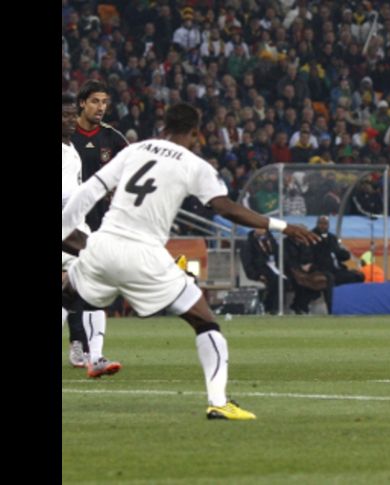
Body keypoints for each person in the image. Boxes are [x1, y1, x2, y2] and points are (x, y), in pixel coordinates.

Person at [61, 103, 319, 420]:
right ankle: (218, 402)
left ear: (164, 125)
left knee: (68, 295)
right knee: (205, 321)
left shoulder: (136, 149)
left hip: (103, 246)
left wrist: (63, 230)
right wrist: (282, 226)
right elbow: (226, 208)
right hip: (144, 256)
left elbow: (89, 191)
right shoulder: (194, 164)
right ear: (195, 133)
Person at [62, 93, 120, 376]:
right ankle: (92, 354)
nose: (70, 120)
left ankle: (94, 357)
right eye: (65, 116)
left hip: (74, 228)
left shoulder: (70, 148)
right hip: (66, 232)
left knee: (80, 291)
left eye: (72, 115)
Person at [71, 80, 129, 232]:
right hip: (71, 215)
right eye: (95, 101)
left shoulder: (112, 137)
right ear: (82, 103)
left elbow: (133, 168)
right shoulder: (67, 134)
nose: (101, 108)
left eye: (104, 102)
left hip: (102, 218)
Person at [310, 215, 365, 311]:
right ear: (317, 224)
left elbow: (340, 254)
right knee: (329, 279)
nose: (323, 226)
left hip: (336, 270)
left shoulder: (332, 238)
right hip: (320, 270)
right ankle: (332, 309)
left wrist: (344, 254)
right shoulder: (311, 237)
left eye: (325, 224)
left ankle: (355, 306)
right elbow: (310, 256)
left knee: (358, 276)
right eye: (321, 223)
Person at [239, 228, 280, 314]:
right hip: (259, 271)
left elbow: (277, 254)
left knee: (286, 281)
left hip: (274, 269)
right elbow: (247, 263)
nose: (262, 231)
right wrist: (257, 275)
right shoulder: (248, 244)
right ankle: (271, 308)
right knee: (275, 281)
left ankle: (277, 307)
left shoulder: (271, 241)